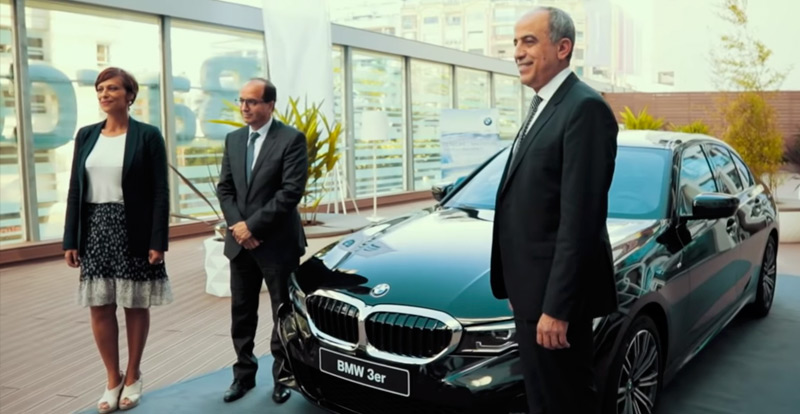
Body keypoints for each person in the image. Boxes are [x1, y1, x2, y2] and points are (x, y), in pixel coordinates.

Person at [490, 7, 619, 414]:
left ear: (563, 48)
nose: (517, 52)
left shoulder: (584, 108)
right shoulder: (544, 105)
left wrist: (557, 309)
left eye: (529, 41)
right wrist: (517, 288)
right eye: (515, 42)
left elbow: (580, 221)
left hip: (554, 305)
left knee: (562, 402)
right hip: (533, 294)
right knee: (544, 400)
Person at [63, 67, 172, 413]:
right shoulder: (86, 135)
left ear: (130, 95)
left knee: (135, 303)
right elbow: (76, 188)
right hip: (95, 228)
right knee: (99, 305)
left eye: (112, 88)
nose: (104, 94)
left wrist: (158, 240)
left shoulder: (148, 135)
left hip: (134, 227)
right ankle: (113, 377)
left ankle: (134, 374)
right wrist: (70, 238)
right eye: (100, 89)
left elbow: (160, 191)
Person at [217, 78, 308, 404]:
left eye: (252, 101)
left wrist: (253, 227)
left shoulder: (291, 139)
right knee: (241, 314)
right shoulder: (234, 139)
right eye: (241, 101)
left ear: (270, 105)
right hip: (240, 243)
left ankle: (283, 376)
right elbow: (225, 188)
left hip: (277, 243)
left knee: (282, 312)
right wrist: (239, 228)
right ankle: (243, 375)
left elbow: (290, 192)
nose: (244, 107)